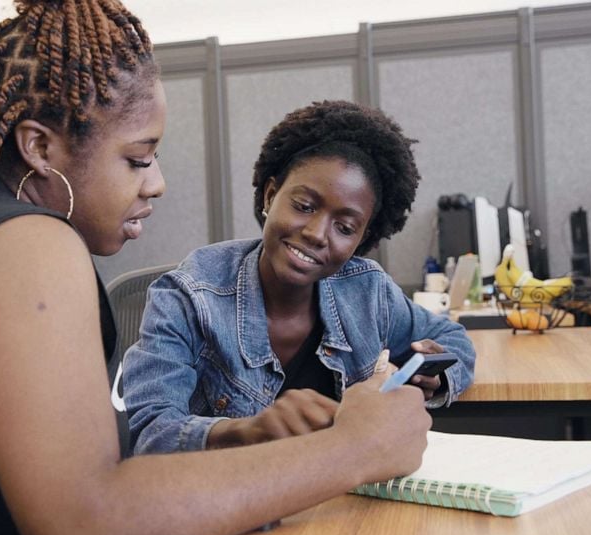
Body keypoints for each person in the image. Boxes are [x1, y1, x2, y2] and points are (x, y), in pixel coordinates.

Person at [0, 2, 432, 535]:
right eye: (137, 158)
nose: (156, 183)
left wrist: (243, 439)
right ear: (39, 148)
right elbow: (85, 523)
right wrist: (356, 450)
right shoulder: (28, 247)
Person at [122, 100, 475, 455]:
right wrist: (249, 431)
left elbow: (452, 338)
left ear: (361, 240)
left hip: (336, 496)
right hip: (229, 504)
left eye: (345, 227)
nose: (317, 234)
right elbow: (152, 433)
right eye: (304, 206)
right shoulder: (189, 297)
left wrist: (437, 374)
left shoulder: (367, 291)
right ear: (271, 195)